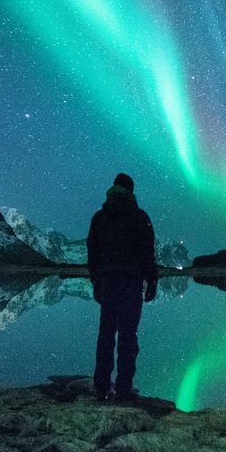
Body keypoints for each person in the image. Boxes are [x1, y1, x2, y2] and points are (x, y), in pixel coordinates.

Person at [87, 172, 158, 401]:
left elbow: (93, 252)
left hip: (107, 281)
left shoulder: (99, 217)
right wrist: (152, 280)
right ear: (131, 191)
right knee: (128, 335)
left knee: (106, 333)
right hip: (131, 282)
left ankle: (101, 386)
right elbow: (147, 252)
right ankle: (123, 388)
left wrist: (96, 281)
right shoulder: (139, 217)